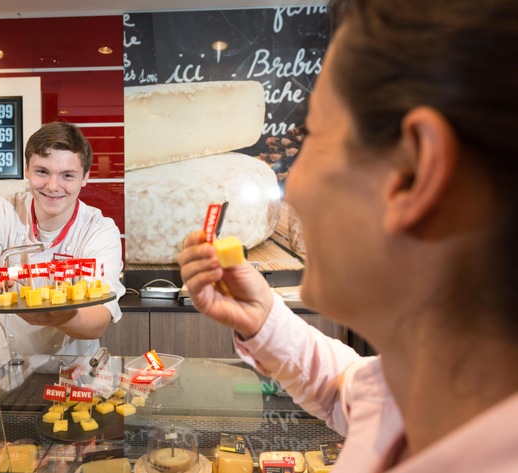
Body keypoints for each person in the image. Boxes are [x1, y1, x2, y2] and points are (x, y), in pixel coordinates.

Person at [178, 0, 518, 471]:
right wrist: (262, 320)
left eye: (314, 134)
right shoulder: (430, 384)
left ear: (412, 174)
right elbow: (345, 388)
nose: (292, 185)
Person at [0, 121, 125, 374]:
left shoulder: (99, 229)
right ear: (27, 171)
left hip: (76, 372)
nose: (53, 186)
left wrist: (63, 316)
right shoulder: (0, 211)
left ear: (85, 177)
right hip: (7, 366)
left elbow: (99, 320)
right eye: (42, 171)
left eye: (67, 175)